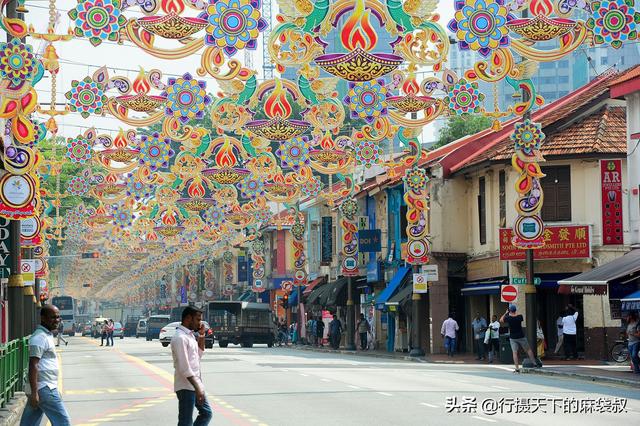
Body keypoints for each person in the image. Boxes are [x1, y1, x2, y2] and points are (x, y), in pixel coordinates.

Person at [20, 305, 72, 426]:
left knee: (29, 423)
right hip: (44, 389)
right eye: (53, 317)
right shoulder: (39, 337)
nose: (57, 320)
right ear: (43, 318)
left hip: (44, 388)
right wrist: (34, 393)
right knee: (63, 422)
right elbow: (33, 365)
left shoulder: (47, 335)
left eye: (58, 317)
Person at [171, 306, 212, 426]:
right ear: (188, 318)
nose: (200, 323)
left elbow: (199, 354)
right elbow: (184, 367)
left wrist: (202, 335)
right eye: (198, 319)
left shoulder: (189, 336)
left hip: (194, 384)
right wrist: (198, 388)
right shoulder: (180, 338)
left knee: (206, 413)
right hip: (185, 386)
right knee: (186, 421)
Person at [500, 304, 541, 372]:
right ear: (515, 310)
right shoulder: (519, 317)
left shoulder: (508, 318)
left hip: (513, 337)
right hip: (521, 336)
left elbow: (501, 320)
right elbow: (518, 315)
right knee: (528, 350)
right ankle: (534, 363)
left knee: (515, 352)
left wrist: (506, 313)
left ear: (510, 311)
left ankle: (517, 368)